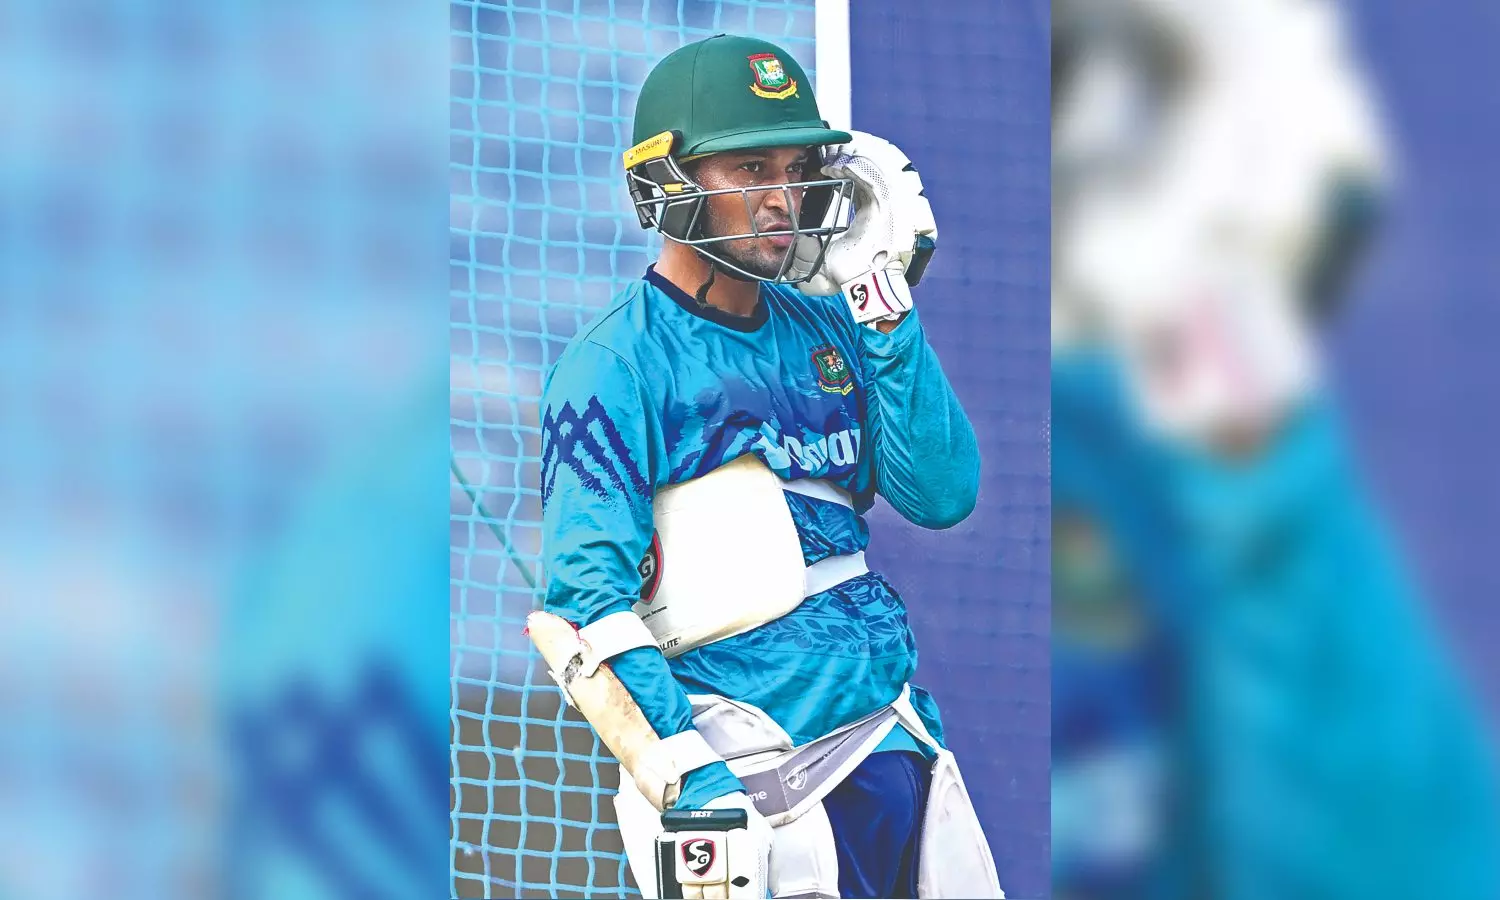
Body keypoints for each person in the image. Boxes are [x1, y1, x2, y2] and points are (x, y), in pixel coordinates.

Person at [529, 33, 1002, 900]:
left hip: (897, 745)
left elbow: (942, 493)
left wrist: (881, 303)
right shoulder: (613, 366)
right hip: (759, 781)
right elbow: (586, 608)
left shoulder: (829, 323)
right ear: (668, 182)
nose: (784, 197)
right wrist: (691, 779)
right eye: (750, 170)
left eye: (796, 169)